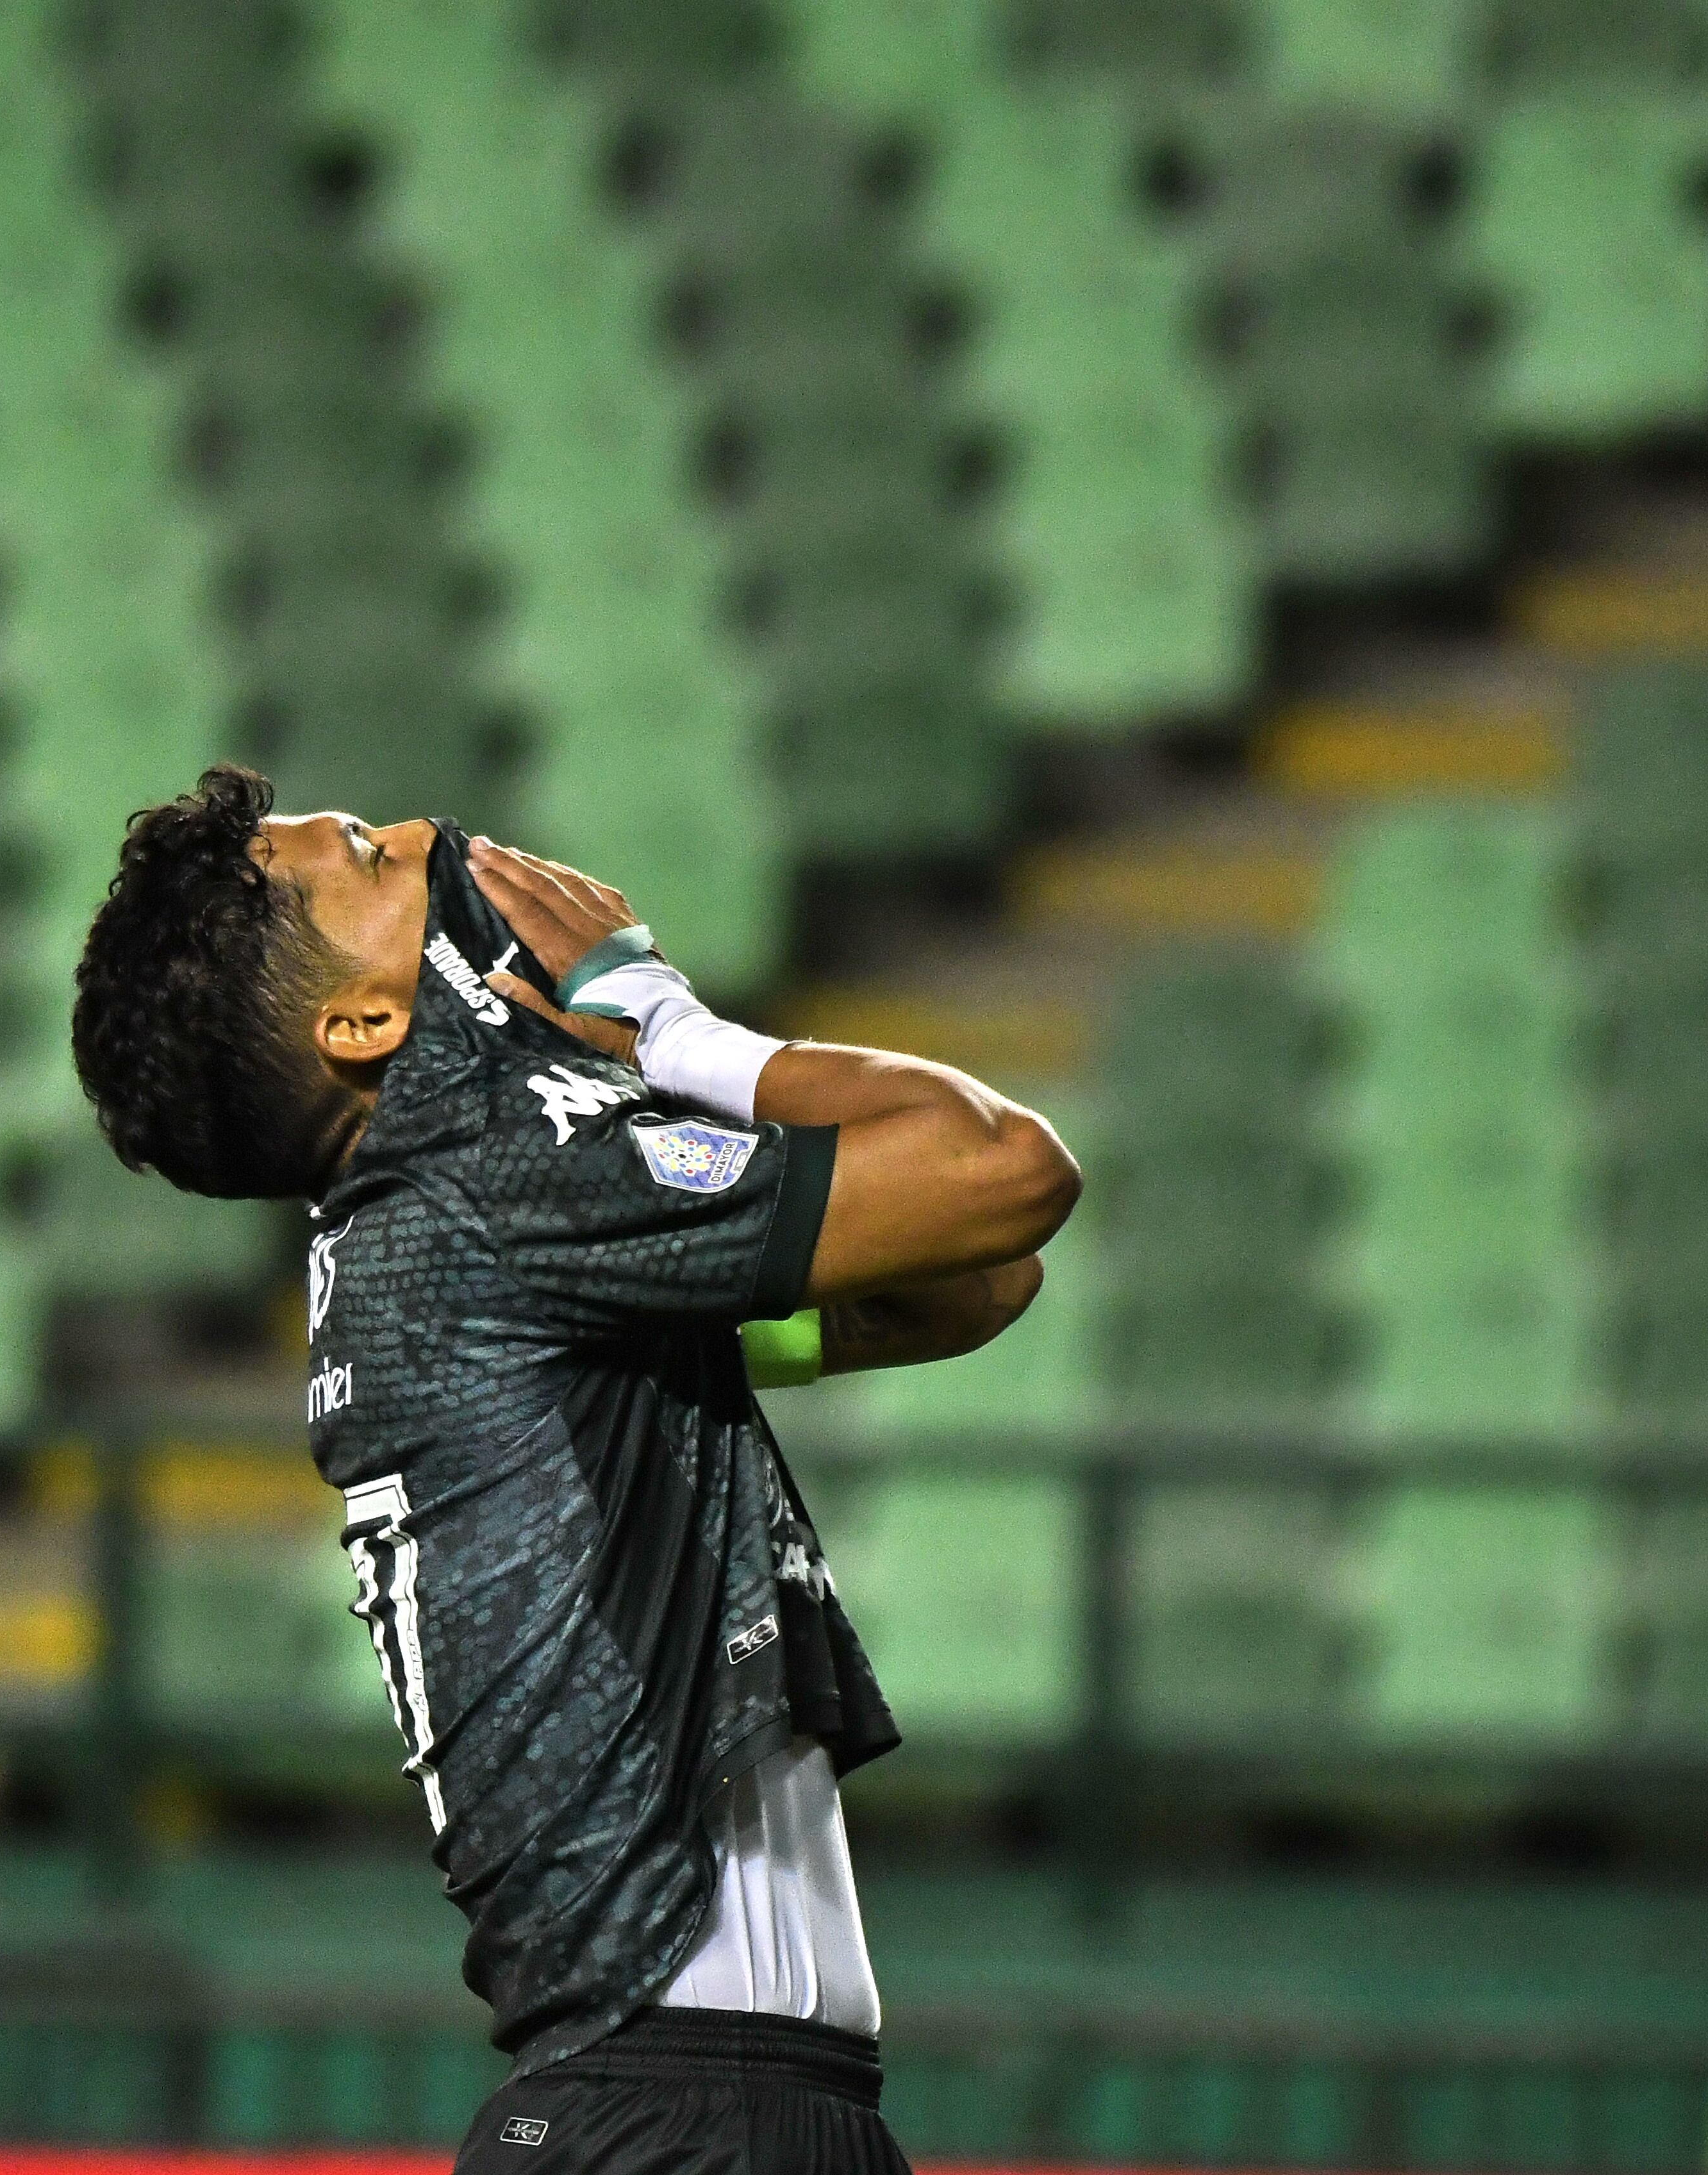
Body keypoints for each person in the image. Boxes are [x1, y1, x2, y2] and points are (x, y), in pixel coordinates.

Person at [70, 766, 1079, 2174]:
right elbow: (1005, 1172)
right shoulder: (490, 1184)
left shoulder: (437, 1231)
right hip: (690, 2112)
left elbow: (971, 1274)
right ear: (359, 1022)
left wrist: (627, 1087)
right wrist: (669, 1025)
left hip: (676, 2104)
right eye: (366, 853)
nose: (420, 835)